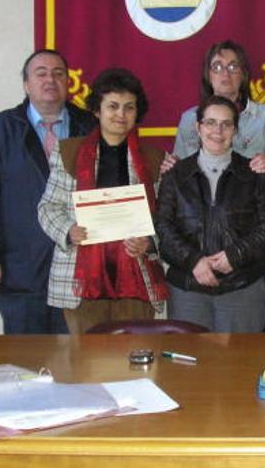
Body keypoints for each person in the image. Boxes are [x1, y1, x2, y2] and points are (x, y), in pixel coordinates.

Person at [0, 49, 96, 334]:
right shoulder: (0, 129)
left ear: (67, 82)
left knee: (76, 365)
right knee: (25, 366)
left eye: (58, 73)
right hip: (20, 271)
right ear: (26, 84)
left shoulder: (90, 127)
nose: (50, 80)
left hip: (77, 269)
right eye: (41, 74)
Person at [37, 68, 168, 335]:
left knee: (135, 363)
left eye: (129, 107)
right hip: (82, 283)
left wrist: (149, 242)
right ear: (97, 110)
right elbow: (48, 208)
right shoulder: (68, 152)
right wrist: (68, 231)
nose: (121, 114)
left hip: (136, 280)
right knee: (86, 368)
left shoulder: (154, 159)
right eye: (113, 106)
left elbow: (165, 219)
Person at [156, 96, 265, 332]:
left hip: (243, 287)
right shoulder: (175, 175)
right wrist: (194, 261)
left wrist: (236, 255)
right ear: (198, 127)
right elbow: (163, 227)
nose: (217, 130)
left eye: (226, 124)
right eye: (210, 123)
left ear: (235, 129)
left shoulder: (254, 174)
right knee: (190, 365)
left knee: (241, 365)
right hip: (188, 289)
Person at [164, 40, 265, 174]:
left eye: (233, 67)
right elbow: (180, 171)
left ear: (243, 75)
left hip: (249, 192)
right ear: (208, 75)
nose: (225, 74)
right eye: (217, 67)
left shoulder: (264, 116)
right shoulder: (189, 119)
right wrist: (171, 166)